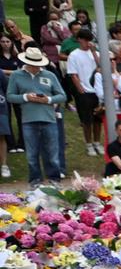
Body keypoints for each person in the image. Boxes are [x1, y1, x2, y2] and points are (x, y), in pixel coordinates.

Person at [7, 47, 66, 185]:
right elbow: (10, 96)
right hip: (28, 119)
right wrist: (26, 97)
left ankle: (54, 179)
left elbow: (62, 95)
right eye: (34, 63)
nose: (36, 66)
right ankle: (35, 181)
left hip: (49, 118)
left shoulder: (49, 75)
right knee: (32, 155)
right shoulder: (16, 75)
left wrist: (49, 100)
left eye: (38, 63)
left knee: (52, 153)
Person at [66, 29, 102, 156]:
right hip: (85, 91)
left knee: (98, 119)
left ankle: (97, 142)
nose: (88, 43)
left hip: (97, 91)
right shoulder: (74, 55)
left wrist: (93, 52)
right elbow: (73, 74)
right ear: (80, 39)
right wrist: (80, 90)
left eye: (89, 40)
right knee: (87, 121)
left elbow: (100, 66)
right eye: (85, 40)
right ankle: (89, 144)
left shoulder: (94, 53)